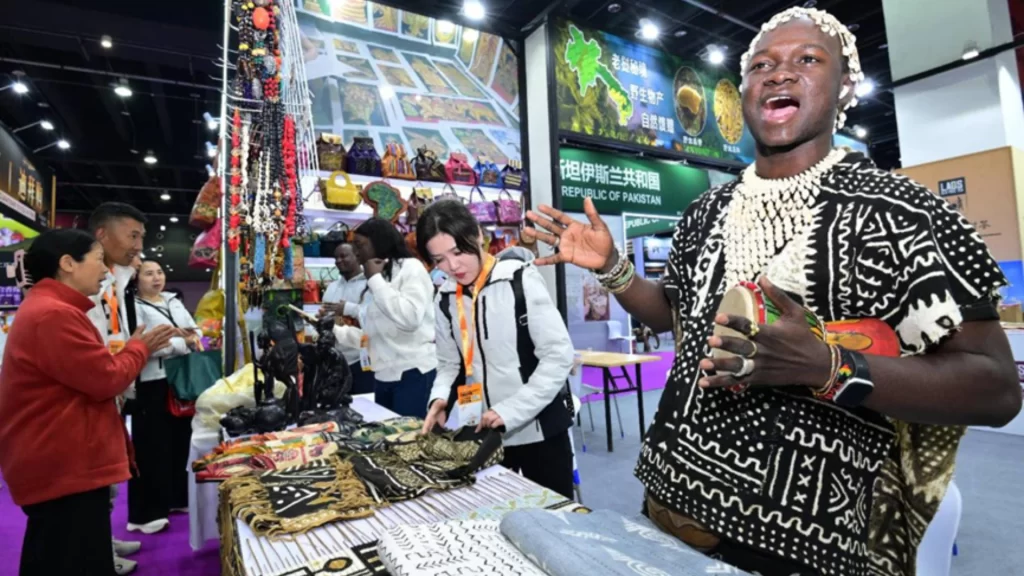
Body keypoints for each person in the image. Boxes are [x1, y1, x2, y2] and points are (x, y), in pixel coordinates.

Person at [526, 7, 1021, 576]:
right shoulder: (706, 210)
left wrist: (829, 367)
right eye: (761, 64)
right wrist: (614, 269)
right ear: (743, 93)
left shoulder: (901, 212)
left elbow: (997, 387)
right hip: (665, 516)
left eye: (807, 60)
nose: (779, 74)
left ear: (845, 87)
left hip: (801, 548)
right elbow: (672, 317)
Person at [0, 229, 175, 576]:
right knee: (72, 556)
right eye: (97, 260)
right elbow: (105, 378)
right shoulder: (53, 314)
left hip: (62, 457)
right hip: (63, 461)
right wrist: (140, 349)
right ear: (67, 264)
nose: (105, 271)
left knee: (55, 552)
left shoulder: (52, 308)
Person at [418, 200, 576, 498]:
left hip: (539, 432)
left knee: (555, 525)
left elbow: (558, 356)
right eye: (439, 259)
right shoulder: (444, 298)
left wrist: (511, 411)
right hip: (481, 435)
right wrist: (439, 399)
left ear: (478, 235)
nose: (452, 266)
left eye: (458, 251)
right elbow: (450, 365)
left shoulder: (518, 278)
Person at [87, 202, 149, 574]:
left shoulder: (115, 276)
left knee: (110, 473)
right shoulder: (86, 282)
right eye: (133, 236)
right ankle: (96, 549)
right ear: (101, 236)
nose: (139, 245)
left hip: (114, 383)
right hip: (98, 382)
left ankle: (101, 540)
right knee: (96, 475)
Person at [333, 218, 436, 417]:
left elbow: (409, 318)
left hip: (412, 373)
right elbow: (372, 334)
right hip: (382, 376)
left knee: (409, 441)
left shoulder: (411, 268)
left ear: (378, 242)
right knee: (388, 440)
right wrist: (335, 330)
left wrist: (375, 280)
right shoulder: (376, 278)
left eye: (360, 245)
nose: (356, 252)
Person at [127, 260, 202, 534]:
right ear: (137, 279)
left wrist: (184, 339)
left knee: (180, 442)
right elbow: (144, 346)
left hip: (179, 381)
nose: (156, 277)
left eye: (160, 272)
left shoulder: (173, 300)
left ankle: (176, 498)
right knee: (150, 447)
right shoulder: (133, 306)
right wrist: (183, 343)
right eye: (149, 273)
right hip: (150, 383)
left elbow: (197, 331)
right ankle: (146, 514)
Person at [320, 242, 371, 394]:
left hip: (362, 360)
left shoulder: (369, 285)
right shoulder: (332, 287)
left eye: (343, 256)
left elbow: (373, 319)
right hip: (336, 361)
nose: (338, 261)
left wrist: (348, 309)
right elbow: (337, 322)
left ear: (357, 256)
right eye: (336, 258)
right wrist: (323, 319)